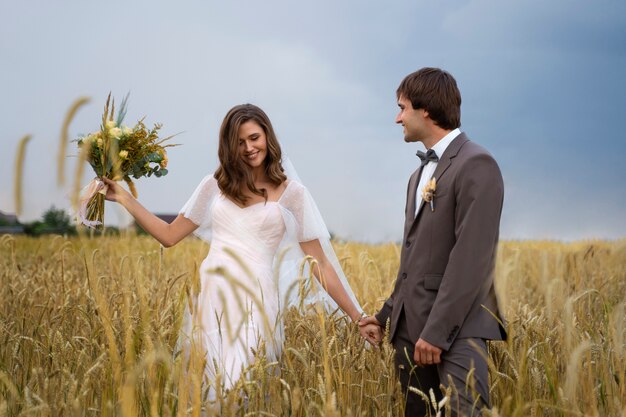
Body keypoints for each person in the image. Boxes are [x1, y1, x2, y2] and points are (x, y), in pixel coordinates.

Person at [102, 103, 364, 396]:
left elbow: (320, 264)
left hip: (257, 303)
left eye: (254, 137)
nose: (249, 147)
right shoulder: (213, 186)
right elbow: (169, 235)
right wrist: (125, 199)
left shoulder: (293, 194)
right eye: (239, 142)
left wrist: (357, 316)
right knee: (207, 389)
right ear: (229, 146)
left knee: (239, 383)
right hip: (212, 300)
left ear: (268, 136)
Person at [359, 68, 507, 416]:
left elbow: (472, 259)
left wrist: (437, 332)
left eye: (402, 107)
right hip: (410, 333)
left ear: (425, 109)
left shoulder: (477, 163)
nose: (397, 118)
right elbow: (414, 262)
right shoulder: (416, 177)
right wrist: (384, 318)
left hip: (457, 333)